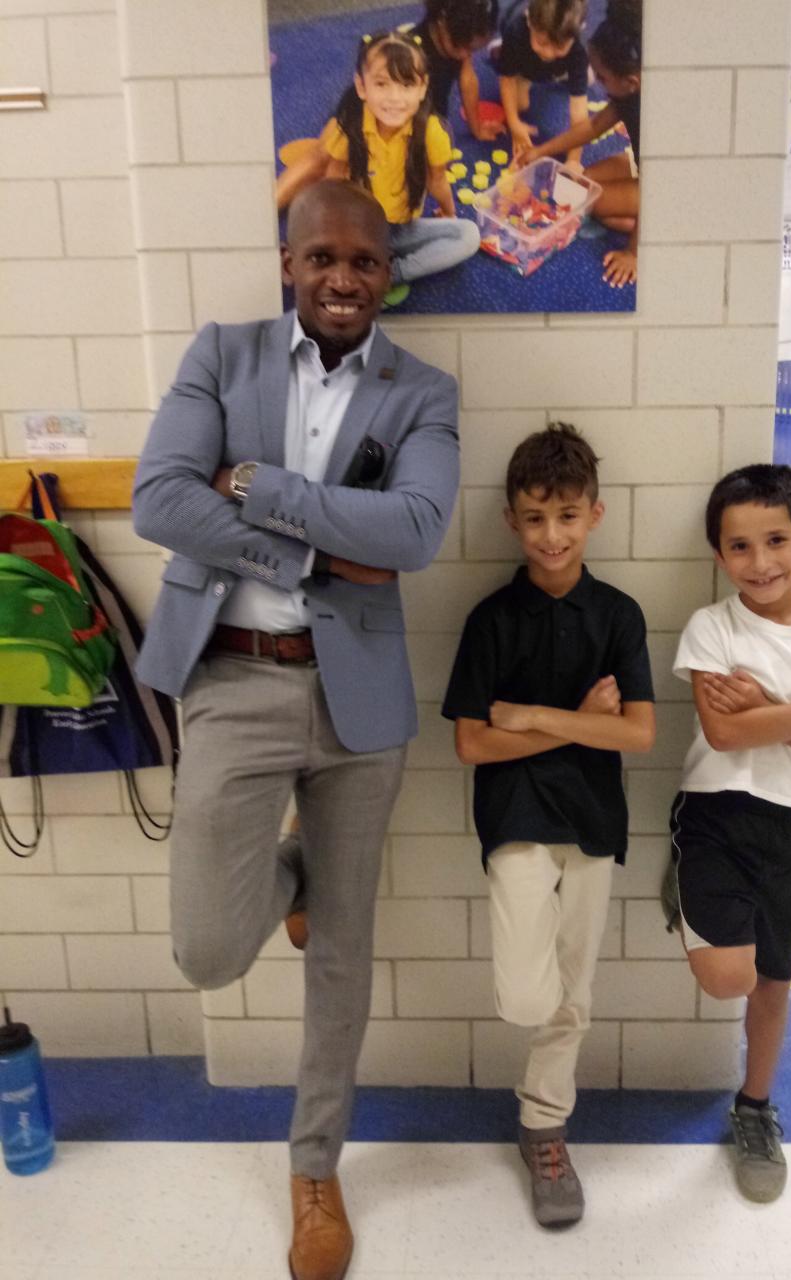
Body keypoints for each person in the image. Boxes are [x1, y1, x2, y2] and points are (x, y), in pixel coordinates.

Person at [132, 179, 459, 1280]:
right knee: (207, 946)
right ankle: (297, 872)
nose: (341, 277)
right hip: (231, 679)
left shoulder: (423, 390)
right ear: (290, 260)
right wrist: (313, 551)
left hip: (359, 698)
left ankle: (314, 1167)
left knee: (345, 958)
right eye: (321, 256)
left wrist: (262, 487)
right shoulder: (221, 354)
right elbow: (159, 499)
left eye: (363, 261)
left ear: (387, 273)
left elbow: (414, 530)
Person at [442, 423, 656, 1227]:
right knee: (531, 1000)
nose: (552, 534)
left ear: (594, 515)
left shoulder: (620, 615)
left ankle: (544, 1127)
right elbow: (471, 743)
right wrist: (574, 720)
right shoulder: (492, 619)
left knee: (577, 997)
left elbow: (637, 733)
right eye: (536, 518)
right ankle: (540, 1104)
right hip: (517, 820)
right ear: (511, 521)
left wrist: (532, 717)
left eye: (567, 516)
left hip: (595, 821)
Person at [663, 465, 791, 1204]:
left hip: (786, 824)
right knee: (729, 978)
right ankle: (683, 894)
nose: (760, 563)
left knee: (774, 981)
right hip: (714, 812)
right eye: (740, 547)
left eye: (776, 540)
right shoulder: (712, 627)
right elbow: (723, 733)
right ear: (720, 557)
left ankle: (754, 1110)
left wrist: (772, 706)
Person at [277, 30, 480, 307]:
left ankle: (389, 274)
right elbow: (332, 184)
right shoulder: (348, 128)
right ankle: (357, 271)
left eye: (406, 85)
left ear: (422, 89)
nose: (394, 98)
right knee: (304, 252)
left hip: (399, 229)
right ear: (362, 87)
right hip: (354, 231)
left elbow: (438, 180)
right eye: (382, 84)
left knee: (468, 235)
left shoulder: (432, 132)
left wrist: (450, 213)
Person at [514, 0, 641, 287]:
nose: (598, 85)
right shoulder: (629, 92)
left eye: (604, 79)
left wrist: (633, 253)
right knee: (577, 185)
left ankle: (658, 230)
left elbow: (662, 189)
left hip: (672, 186)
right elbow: (592, 126)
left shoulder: (657, 120)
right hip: (640, 163)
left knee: (591, 204)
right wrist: (540, 151)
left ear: (631, 81)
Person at [495, 0, 589, 164]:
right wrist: (514, 123)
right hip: (524, 61)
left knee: (578, 75)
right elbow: (507, 80)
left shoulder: (577, 50)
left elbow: (579, 111)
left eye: (559, 47)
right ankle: (501, 52)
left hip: (559, 67)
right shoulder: (516, 30)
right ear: (529, 22)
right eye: (542, 43)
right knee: (520, 104)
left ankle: (565, 73)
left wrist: (574, 159)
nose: (549, 53)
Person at [412, 0, 503, 140]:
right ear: (441, 23)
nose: (465, 55)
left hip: (435, 111)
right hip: (406, 116)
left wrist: (477, 128)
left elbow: (467, 80)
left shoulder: (459, 36)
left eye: (473, 50)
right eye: (460, 47)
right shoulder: (412, 54)